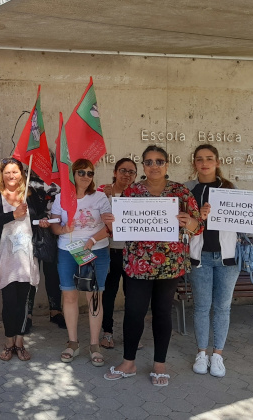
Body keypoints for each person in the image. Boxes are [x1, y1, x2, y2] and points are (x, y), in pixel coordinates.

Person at [104, 145, 203, 386]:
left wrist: (189, 221)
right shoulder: (132, 192)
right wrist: (111, 222)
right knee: (134, 313)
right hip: (138, 263)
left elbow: (198, 226)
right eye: (149, 162)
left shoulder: (180, 192)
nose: (154, 166)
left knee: (161, 313)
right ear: (144, 166)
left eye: (159, 161)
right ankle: (129, 362)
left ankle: (160, 363)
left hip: (169, 263)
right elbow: (120, 228)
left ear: (167, 165)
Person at [185, 144, 253, 377]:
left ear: (217, 162)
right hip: (200, 258)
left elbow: (245, 227)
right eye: (199, 159)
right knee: (201, 307)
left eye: (209, 158)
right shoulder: (186, 189)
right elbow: (181, 226)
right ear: (194, 163)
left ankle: (217, 355)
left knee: (222, 308)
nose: (204, 163)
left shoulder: (230, 188)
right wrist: (200, 217)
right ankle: (201, 353)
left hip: (228, 258)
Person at [51, 159, 112, 367]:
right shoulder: (60, 197)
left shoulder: (100, 197)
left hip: (96, 251)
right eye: (81, 172)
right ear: (73, 175)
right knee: (69, 296)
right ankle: (73, 342)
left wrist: (92, 240)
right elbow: (54, 226)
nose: (86, 176)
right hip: (68, 251)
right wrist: (63, 229)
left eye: (90, 173)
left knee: (94, 298)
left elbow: (109, 225)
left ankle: (94, 345)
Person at [0, 158, 40, 361]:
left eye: (15, 172)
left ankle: (20, 342)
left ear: (21, 173)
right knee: (9, 302)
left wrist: (41, 221)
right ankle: (9, 342)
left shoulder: (30, 195)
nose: (11, 176)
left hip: (26, 258)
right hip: (4, 258)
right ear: (2, 174)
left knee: (23, 303)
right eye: (7, 172)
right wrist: (12, 215)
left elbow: (37, 217)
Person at [97, 158, 138, 349]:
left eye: (131, 172)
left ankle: (131, 336)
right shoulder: (102, 192)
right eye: (123, 170)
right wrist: (105, 198)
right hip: (110, 251)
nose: (127, 175)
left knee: (133, 296)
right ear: (115, 172)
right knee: (109, 294)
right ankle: (107, 333)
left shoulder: (140, 195)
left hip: (133, 253)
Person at [27, 172, 66, 331]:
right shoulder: (25, 178)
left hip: (53, 231)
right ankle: (27, 314)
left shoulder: (59, 181)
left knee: (53, 273)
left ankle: (55, 311)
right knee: (30, 273)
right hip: (29, 232)